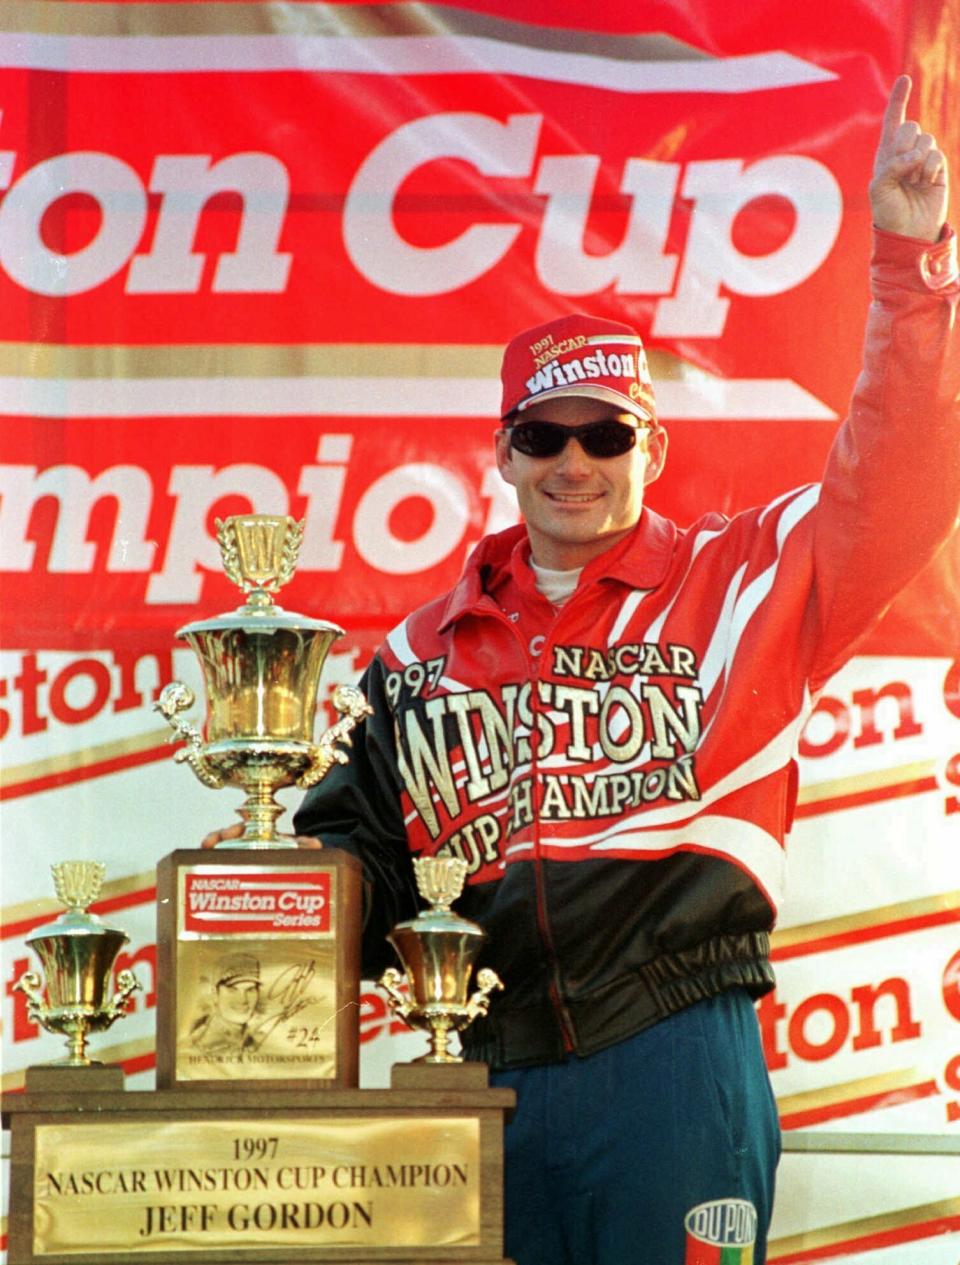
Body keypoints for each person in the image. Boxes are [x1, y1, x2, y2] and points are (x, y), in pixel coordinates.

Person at [206, 76, 958, 1264]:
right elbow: (360, 871)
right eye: (546, 434)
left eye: (606, 434)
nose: (576, 463)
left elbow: (903, 480)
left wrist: (903, 268)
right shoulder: (413, 656)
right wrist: (254, 909)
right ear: (503, 450)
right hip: (482, 1067)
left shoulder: (742, 579)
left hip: (672, 1055)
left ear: (651, 447)